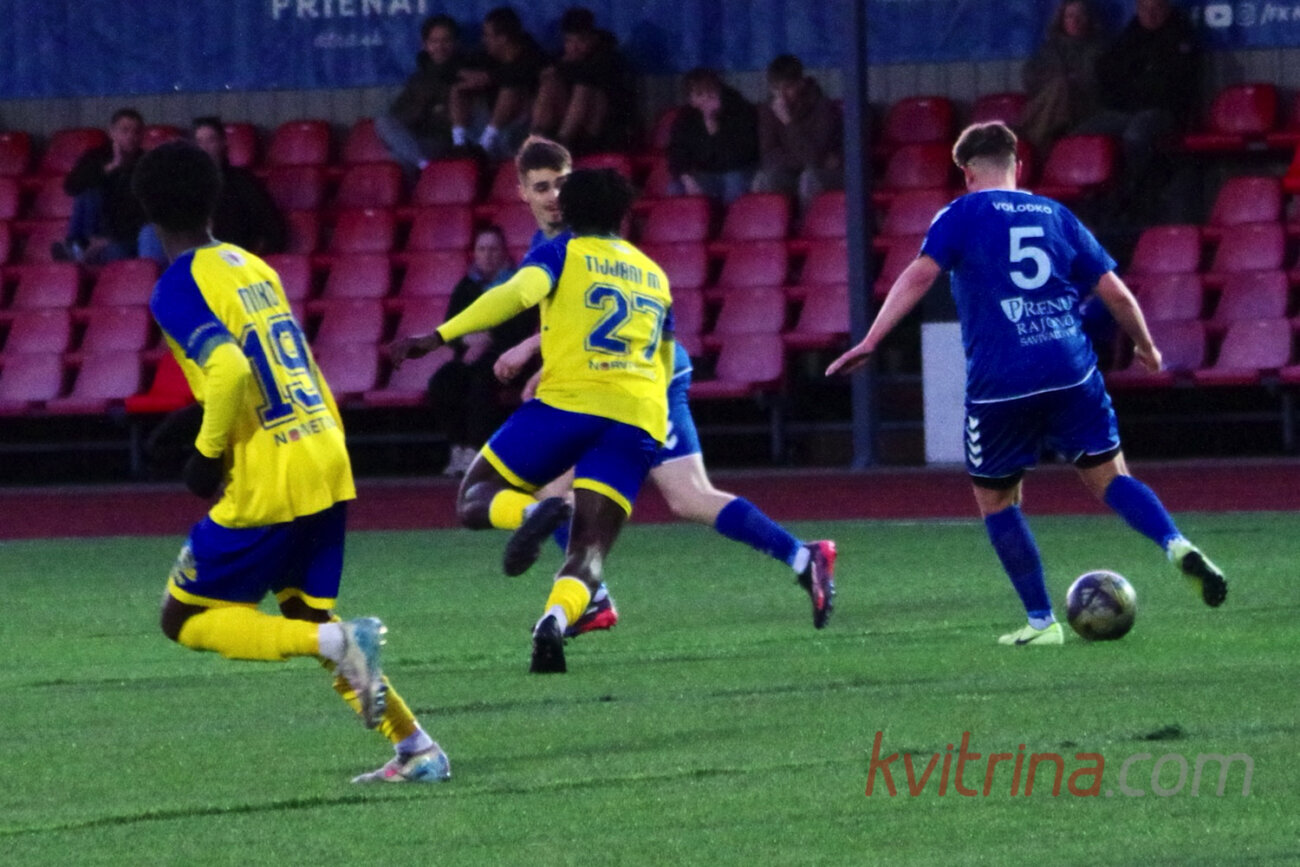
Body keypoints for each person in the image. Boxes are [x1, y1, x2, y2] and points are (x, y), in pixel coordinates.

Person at [826, 122, 1227, 646]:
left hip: (1001, 381)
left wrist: (872, 339)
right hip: (1070, 369)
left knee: (996, 501)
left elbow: (920, 274)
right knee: (1111, 478)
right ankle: (1175, 544)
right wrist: (1146, 347)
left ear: (967, 173)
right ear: (1018, 166)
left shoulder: (959, 214)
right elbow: (1116, 293)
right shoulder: (1057, 215)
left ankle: (1042, 622)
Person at [132, 141, 449, 783]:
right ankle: (416, 749)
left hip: (271, 469)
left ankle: (340, 644)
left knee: (183, 617)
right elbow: (291, 360)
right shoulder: (252, 266)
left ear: (147, 212)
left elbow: (228, 368)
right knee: (305, 613)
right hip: (321, 446)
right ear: (215, 198)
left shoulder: (176, 285)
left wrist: (205, 455)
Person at [491, 137, 837, 633]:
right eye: (541, 187)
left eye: (561, 184)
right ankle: (805, 557)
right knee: (681, 496)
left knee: (561, 490)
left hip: (643, 374)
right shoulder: (543, 245)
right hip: (620, 375)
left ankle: (593, 596)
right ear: (522, 192)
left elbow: (608, 317)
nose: (553, 196)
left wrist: (530, 352)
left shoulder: (588, 236)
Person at [389, 168, 674, 674]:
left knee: (475, 496)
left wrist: (436, 337)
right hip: (638, 415)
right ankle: (553, 623)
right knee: (589, 550)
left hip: (569, 402)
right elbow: (664, 359)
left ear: (568, 211)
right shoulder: (653, 274)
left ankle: (531, 513)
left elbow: (516, 294)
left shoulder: (562, 251)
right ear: (622, 215)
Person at [1072, 0, 1199, 219]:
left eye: (1155, 9)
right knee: (1081, 135)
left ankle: (1130, 191)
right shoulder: (1131, 34)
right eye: (1144, 9)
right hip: (1127, 110)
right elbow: (1108, 74)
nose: (1150, 15)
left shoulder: (1180, 35)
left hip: (1164, 112)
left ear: (1166, 9)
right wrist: (1133, 88)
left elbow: (1172, 87)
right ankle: (1090, 203)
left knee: (1136, 135)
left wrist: (1136, 86)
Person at [427, 225, 536, 476]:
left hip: (509, 359)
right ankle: (459, 447)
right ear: (475, 253)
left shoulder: (518, 285)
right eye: (482, 249)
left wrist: (488, 340)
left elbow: (522, 329)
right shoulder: (466, 286)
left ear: (504, 252)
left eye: (493, 249)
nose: (488, 255)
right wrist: (466, 341)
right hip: (470, 357)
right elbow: (449, 328)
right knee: (442, 382)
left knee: (481, 382)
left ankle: (477, 450)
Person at [138, 116, 285, 265]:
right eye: (200, 141)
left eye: (211, 140)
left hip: (229, 256)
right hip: (191, 254)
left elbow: (271, 229)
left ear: (223, 143)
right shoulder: (184, 183)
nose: (205, 147)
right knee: (150, 233)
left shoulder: (243, 182)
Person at [529, 6, 636, 156]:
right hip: (574, 128)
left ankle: (561, 143)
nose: (574, 47)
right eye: (569, 41)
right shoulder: (562, 59)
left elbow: (588, 75)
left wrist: (563, 67)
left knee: (584, 87)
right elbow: (545, 73)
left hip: (603, 131)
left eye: (581, 40)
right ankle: (535, 141)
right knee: (550, 83)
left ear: (593, 38)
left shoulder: (607, 57)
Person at [53, 107, 148, 264]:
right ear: (112, 132)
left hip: (123, 236)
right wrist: (112, 166)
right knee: (89, 188)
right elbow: (71, 187)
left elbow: (143, 214)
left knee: (118, 251)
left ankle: (82, 252)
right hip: (92, 230)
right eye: (125, 131)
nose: (131, 136)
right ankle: (79, 244)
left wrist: (108, 240)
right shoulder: (96, 156)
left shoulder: (147, 164)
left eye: (136, 132)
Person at [451, 7, 548, 159]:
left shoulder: (532, 55)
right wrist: (471, 77)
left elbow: (519, 75)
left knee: (511, 87)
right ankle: (459, 144)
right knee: (459, 88)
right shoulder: (487, 56)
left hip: (521, 123)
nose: (484, 40)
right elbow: (455, 71)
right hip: (488, 116)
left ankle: (486, 143)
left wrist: (490, 78)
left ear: (502, 38)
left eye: (487, 35)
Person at [376, 14, 468, 174]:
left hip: (441, 141)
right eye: (434, 42)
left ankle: (425, 168)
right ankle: (424, 166)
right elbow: (399, 114)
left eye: (446, 41)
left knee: (398, 158)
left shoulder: (465, 73)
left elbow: (449, 120)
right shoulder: (419, 77)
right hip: (413, 138)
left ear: (456, 43)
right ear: (425, 45)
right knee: (384, 124)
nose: (440, 47)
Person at [751, 54, 843, 213]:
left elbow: (813, 156)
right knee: (764, 179)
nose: (782, 96)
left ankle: (809, 225)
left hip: (827, 173)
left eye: (787, 87)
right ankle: (773, 226)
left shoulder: (822, 107)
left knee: (808, 179)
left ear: (801, 83)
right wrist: (806, 160)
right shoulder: (768, 110)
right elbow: (769, 155)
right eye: (776, 89)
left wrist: (788, 122)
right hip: (792, 170)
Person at [1019, 0, 1105, 154]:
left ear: (1089, 19)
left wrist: (1071, 81)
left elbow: (1097, 82)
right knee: (1059, 87)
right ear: (1062, 20)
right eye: (1070, 16)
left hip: (1085, 107)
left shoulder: (1100, 49)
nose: (1075, 21)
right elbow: (1029, 77)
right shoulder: (1050, 48)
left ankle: (1028, 140)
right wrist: (1057, 80)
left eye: (1080, 15)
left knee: (1062, 87)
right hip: (1051, 104)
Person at [666, 68, 759, 206]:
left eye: (711, 92)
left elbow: (741, 156)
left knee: (734, 182)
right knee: (675, 188)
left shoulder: (740, 110)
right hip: (705, 174)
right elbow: (676, 153)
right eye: (700, 94)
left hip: (738, 170)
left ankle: (734, 219)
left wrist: (712, 123)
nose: (707, 98)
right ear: (691, 100)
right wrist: (687, 178)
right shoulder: (685, 118)